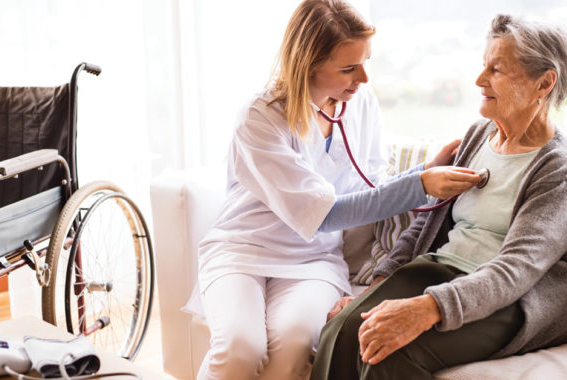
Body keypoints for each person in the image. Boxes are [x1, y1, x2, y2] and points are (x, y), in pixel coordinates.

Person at [194, 1, 481, 379]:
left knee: (295, 348)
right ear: (308, 65)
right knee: (239, 349)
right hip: (242, 250)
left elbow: (371, 187)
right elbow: (326, 213)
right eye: (348, 68)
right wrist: (420, 185)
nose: (363, 78)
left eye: (365, 63)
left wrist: (424, 171)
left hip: (312, 260)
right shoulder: (260, 117)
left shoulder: (361, 104)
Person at [310, 14, 567, 380]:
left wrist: (427, 308)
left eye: (496, 69)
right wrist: (374, 291)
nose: (479, 80)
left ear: (544, 83)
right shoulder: (479, 135)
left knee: (383, 353)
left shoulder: (559, 169)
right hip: (441, 270)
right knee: (341, 329)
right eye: (483, 66)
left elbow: (517, 269)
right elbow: (426, 223)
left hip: (515, 299)